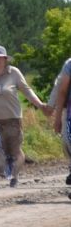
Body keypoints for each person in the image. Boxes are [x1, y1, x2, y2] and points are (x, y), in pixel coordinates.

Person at [0, 44, 48, 189]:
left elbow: (27, 90)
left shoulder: (14, 73)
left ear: (5, 59)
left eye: (0, 58)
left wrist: (40, 105)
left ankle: (14, 175)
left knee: (13, 151)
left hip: (12, 120)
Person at [50, 57, 71, 196]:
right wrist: (57, 118)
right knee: (67, 143)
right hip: (70, 112)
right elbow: (62, 91)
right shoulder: (70, 64)